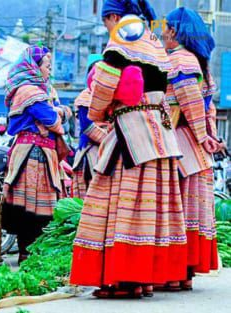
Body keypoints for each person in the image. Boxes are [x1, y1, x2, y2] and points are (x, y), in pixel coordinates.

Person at [69, 0, 188, 298]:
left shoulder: (124, 31)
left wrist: (97, 111)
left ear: (112, 16)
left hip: (132, 129)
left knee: (122, 200)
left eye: (106, 21)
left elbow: (107, 79)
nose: (108, 28)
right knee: (151, 205)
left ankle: (125, 279)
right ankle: (145, 278)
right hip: (159, 130)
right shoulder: (151, 37)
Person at [162, 7, 222, 290]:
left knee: (176, 209)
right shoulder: (200, 63)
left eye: (166, 28)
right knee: (189, 211)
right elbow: (207, 109)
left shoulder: (180, 61)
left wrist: (201, 135)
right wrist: (208, 136)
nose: (162, 33)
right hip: (196, 148)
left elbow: (190, 105)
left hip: (180, 142)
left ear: (174, 31)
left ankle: (173, 273)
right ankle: (183, 274)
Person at [2, 45, 71, 264]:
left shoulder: (45, 90)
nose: (50, 71)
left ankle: (34, 253)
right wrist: (60, 113)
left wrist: (57, 113)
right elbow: (52, 120)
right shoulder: (28, 91)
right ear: (34, 66)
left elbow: (54, 117)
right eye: (47, 66)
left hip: (44, 153)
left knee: (42, 207)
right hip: (32, 155)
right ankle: (26, 252)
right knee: (30, 207)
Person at [71, 55, 109, 199]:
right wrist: (111, 140)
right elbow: (87, 127)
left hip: (107, 147)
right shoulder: (85, 97)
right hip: (90, 149)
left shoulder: (110, 97)